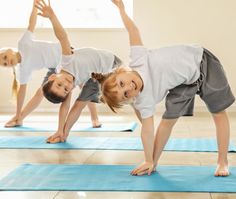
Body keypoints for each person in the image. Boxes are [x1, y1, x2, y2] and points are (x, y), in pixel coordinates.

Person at [93, 0, 235, 177]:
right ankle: (154, 162)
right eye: (126, 94)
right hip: (184, 83)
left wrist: (121, 8)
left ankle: (222, 161)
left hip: (202, 62)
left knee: (219, 112)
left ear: (122, 71)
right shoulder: (144, 101)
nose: (129, 87)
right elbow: (147, 131)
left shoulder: (138, 60)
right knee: (167, 121)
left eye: (123, 83)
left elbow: (133, 31)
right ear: (130, 99)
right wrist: (148, 159)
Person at [0, 0, 103, 129]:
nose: (6, 61)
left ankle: (95, 117)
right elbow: (22, 92)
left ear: (10, 50)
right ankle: (19, 119)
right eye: (4, 64)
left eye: (4, 57)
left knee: (84, 87)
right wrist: (16, 114)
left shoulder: (23, 44)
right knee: (40, 92)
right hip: (55, 67)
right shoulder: (22, 70)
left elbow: (31, 24)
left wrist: (34, 7)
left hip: (65, 55)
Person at [35, 0, 122, 143]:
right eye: (65, 90)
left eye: (59, 85)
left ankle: (65, 132)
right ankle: (63, 135)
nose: (66, 86)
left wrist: (52, 17)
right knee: (79, 104)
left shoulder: (66, 61)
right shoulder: (69, 84)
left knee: (114, 94)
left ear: (52, 77)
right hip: (96, 76)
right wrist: (59, 129)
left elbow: (63, 37)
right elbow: (66, 107)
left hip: (112, 63)